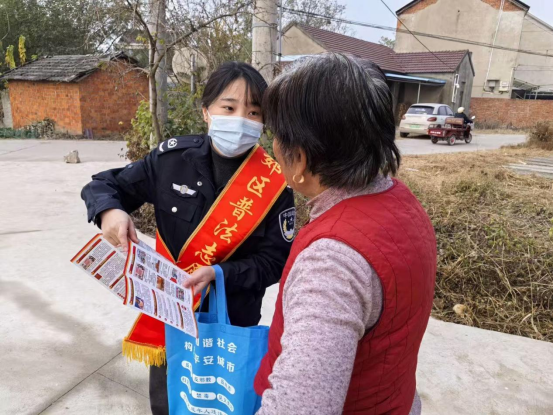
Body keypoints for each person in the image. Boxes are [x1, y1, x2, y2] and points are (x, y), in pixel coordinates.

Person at [81, 61, 295, 415]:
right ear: (206, 111)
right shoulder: (171, 160)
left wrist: (221, 274)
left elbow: (275, 261)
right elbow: (105, 185)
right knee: (168, 403)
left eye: (254, 112)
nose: (241, 119)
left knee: (225, 403)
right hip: (170, 315)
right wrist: (110, 212)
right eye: (229, 107)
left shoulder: (274, 184)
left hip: (232, 322)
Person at [254, 53, 437, 415]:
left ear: (300, 159)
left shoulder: (331, 262)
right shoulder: (400, 201)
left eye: (275, 136)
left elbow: (301, 407)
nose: (272, 146)